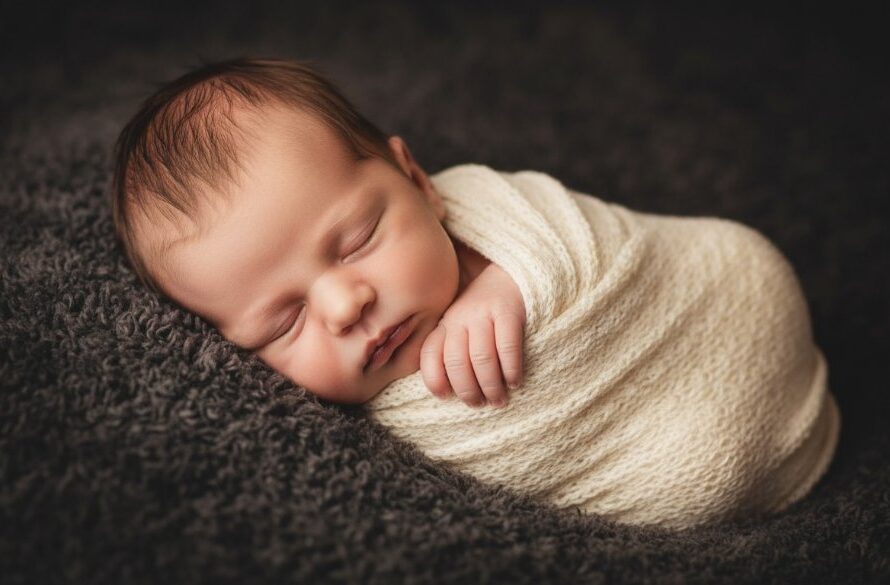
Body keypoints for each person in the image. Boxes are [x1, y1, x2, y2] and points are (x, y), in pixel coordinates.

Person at [110, 57, 839, 529]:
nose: (344, 306)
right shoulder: (351, 439)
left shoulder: (489, 210)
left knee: (751, 259)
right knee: (695, 482)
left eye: (359, 237)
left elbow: (590, 239)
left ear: (417, 179)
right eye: (283, 321)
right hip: (676, 457)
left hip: (716, 299)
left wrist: (509, 279)